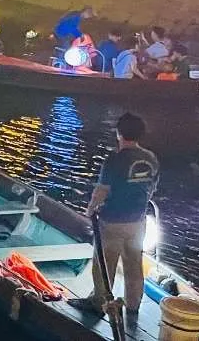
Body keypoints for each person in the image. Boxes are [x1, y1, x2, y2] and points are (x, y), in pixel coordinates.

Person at [68, 113, 158, 320]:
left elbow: (102, 191)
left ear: (119, 133)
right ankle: (134, 305)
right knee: (134, 264)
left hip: (112, 221)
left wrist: (90, 209)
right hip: (138, 222)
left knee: (104, 264)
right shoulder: (151, 159)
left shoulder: (114, 159)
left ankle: (98, 302)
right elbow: (151, 188)